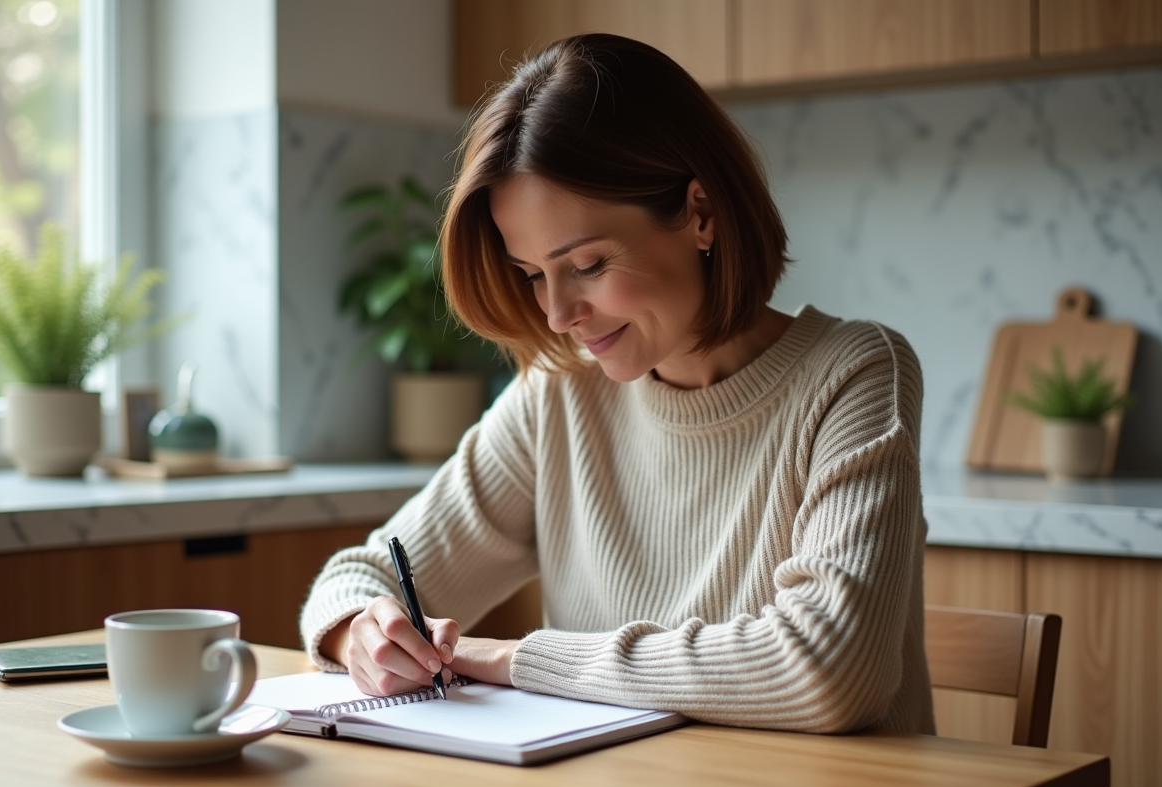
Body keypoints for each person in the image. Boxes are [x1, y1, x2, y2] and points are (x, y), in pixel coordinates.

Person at [302, 33, 935, 735]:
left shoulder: (854, 372)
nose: (557, 313)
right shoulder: (560, 395)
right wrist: (360, 630)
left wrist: (519, 661)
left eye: (589, 263)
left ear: (700, 213)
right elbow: (359, 577)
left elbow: (828, 670)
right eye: (534, 274)